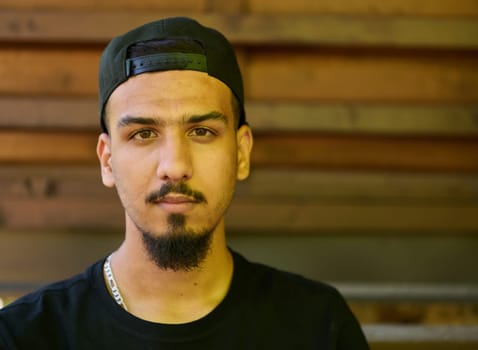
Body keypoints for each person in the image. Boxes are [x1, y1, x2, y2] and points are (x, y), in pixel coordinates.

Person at [0, 17, 369, 349]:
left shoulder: (317, 325)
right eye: (144, 134)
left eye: (202, 131)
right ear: (107, 160)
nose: (175, 166)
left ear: (241, 153)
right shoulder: (26, 336)